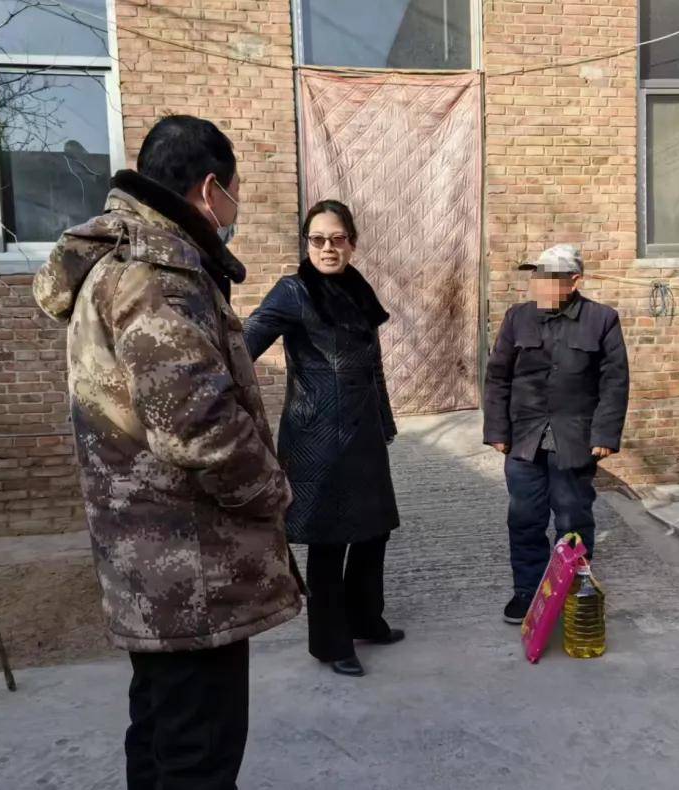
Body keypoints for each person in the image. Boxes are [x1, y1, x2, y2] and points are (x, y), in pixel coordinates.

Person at [33, 114, 302, 789]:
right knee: (197, 755)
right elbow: (199, 427)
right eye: (236, 192)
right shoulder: (158, 275)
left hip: (149, 562)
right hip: (190, 568)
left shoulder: (115, 262)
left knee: (160, 731)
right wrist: (273, 491)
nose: (235, 209)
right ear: (211, 189)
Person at [245, 199, 403, 678]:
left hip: (363, 433)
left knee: (374, 529)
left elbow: (372, 366)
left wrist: (385, 421)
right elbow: (244, 344)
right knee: (329, 540)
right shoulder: (293, 292)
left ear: (352, 242)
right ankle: (332, 644)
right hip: (317, 439)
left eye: (337, 239)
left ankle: (365, 619)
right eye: (317, 240)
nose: (328, 248)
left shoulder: (358, 289)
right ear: (306, 244)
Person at [483, 244, 629, 624]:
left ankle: (574, 589)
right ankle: (527, 592)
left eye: (548, 279)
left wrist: (605, 434)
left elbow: (614, 382)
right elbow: (498, 376)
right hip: (524, 439)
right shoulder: (518, 318)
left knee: (572, 519)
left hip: (574, 439)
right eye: (537, 278)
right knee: (525, 518)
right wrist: (497, 429)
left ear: (574, 281)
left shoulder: (602, 320)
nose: (539, 286)